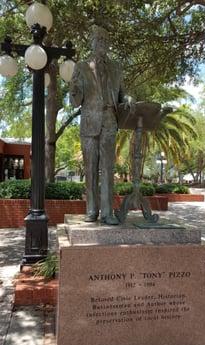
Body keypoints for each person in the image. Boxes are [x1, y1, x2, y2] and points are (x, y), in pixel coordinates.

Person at [70, 25, 134, 225]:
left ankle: (107, 213)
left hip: (109, 120)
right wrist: (73, 91)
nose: (102, 44)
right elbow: (75, 101)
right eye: (98, 40)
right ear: (92, 42)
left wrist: (130, 98)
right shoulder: (81, 66)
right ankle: (91, 210)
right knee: (90, 169)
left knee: (107, 168)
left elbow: (122, 94)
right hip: (89, 122)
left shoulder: (116, 67)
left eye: (105, 41)